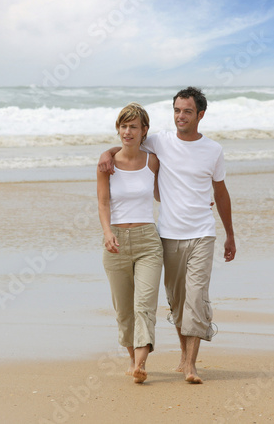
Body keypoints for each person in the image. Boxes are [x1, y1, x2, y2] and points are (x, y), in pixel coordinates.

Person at [98, 87, 236, 384]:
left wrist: (230, 235)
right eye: (176, 110)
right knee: (176, 301)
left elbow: (221, 193)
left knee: (196, 299)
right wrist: (105, 153)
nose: (180, 116)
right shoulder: (160, 142)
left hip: (203, 233)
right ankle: (182, 357)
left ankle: (190, 364)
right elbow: (127, 141)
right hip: (168, 235)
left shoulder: (213, 150)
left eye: (187, 111)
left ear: (200, 114)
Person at [97, 102, 163, 384]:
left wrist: (199, 201)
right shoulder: (106, 164)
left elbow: (165, 194)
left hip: (149, 240)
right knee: (124, 310)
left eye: (133, 126)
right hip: (116, 243)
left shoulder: (153, 161)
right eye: (123, 126)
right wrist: (107, 232)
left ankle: (140, 363)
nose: (127, 131)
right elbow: (102, 202)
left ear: (144, 130)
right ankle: (132, 360)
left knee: (144, 305)